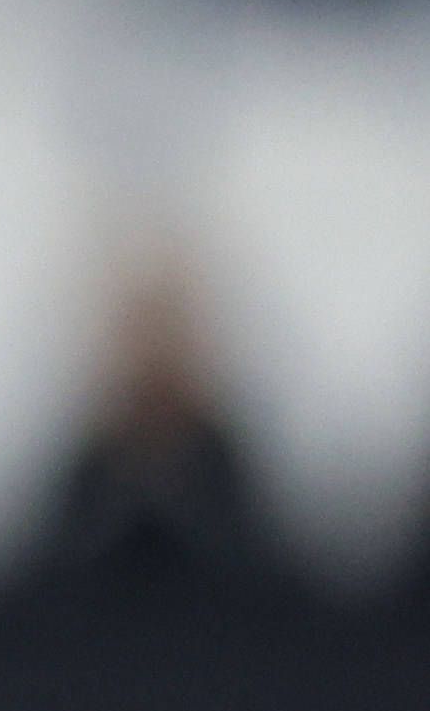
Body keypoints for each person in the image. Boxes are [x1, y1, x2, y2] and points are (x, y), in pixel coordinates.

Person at [17, 240, 306, 607]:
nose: (152, 349)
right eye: (135, 327)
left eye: (170, 325)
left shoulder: (284, 597)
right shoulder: (34, 595)